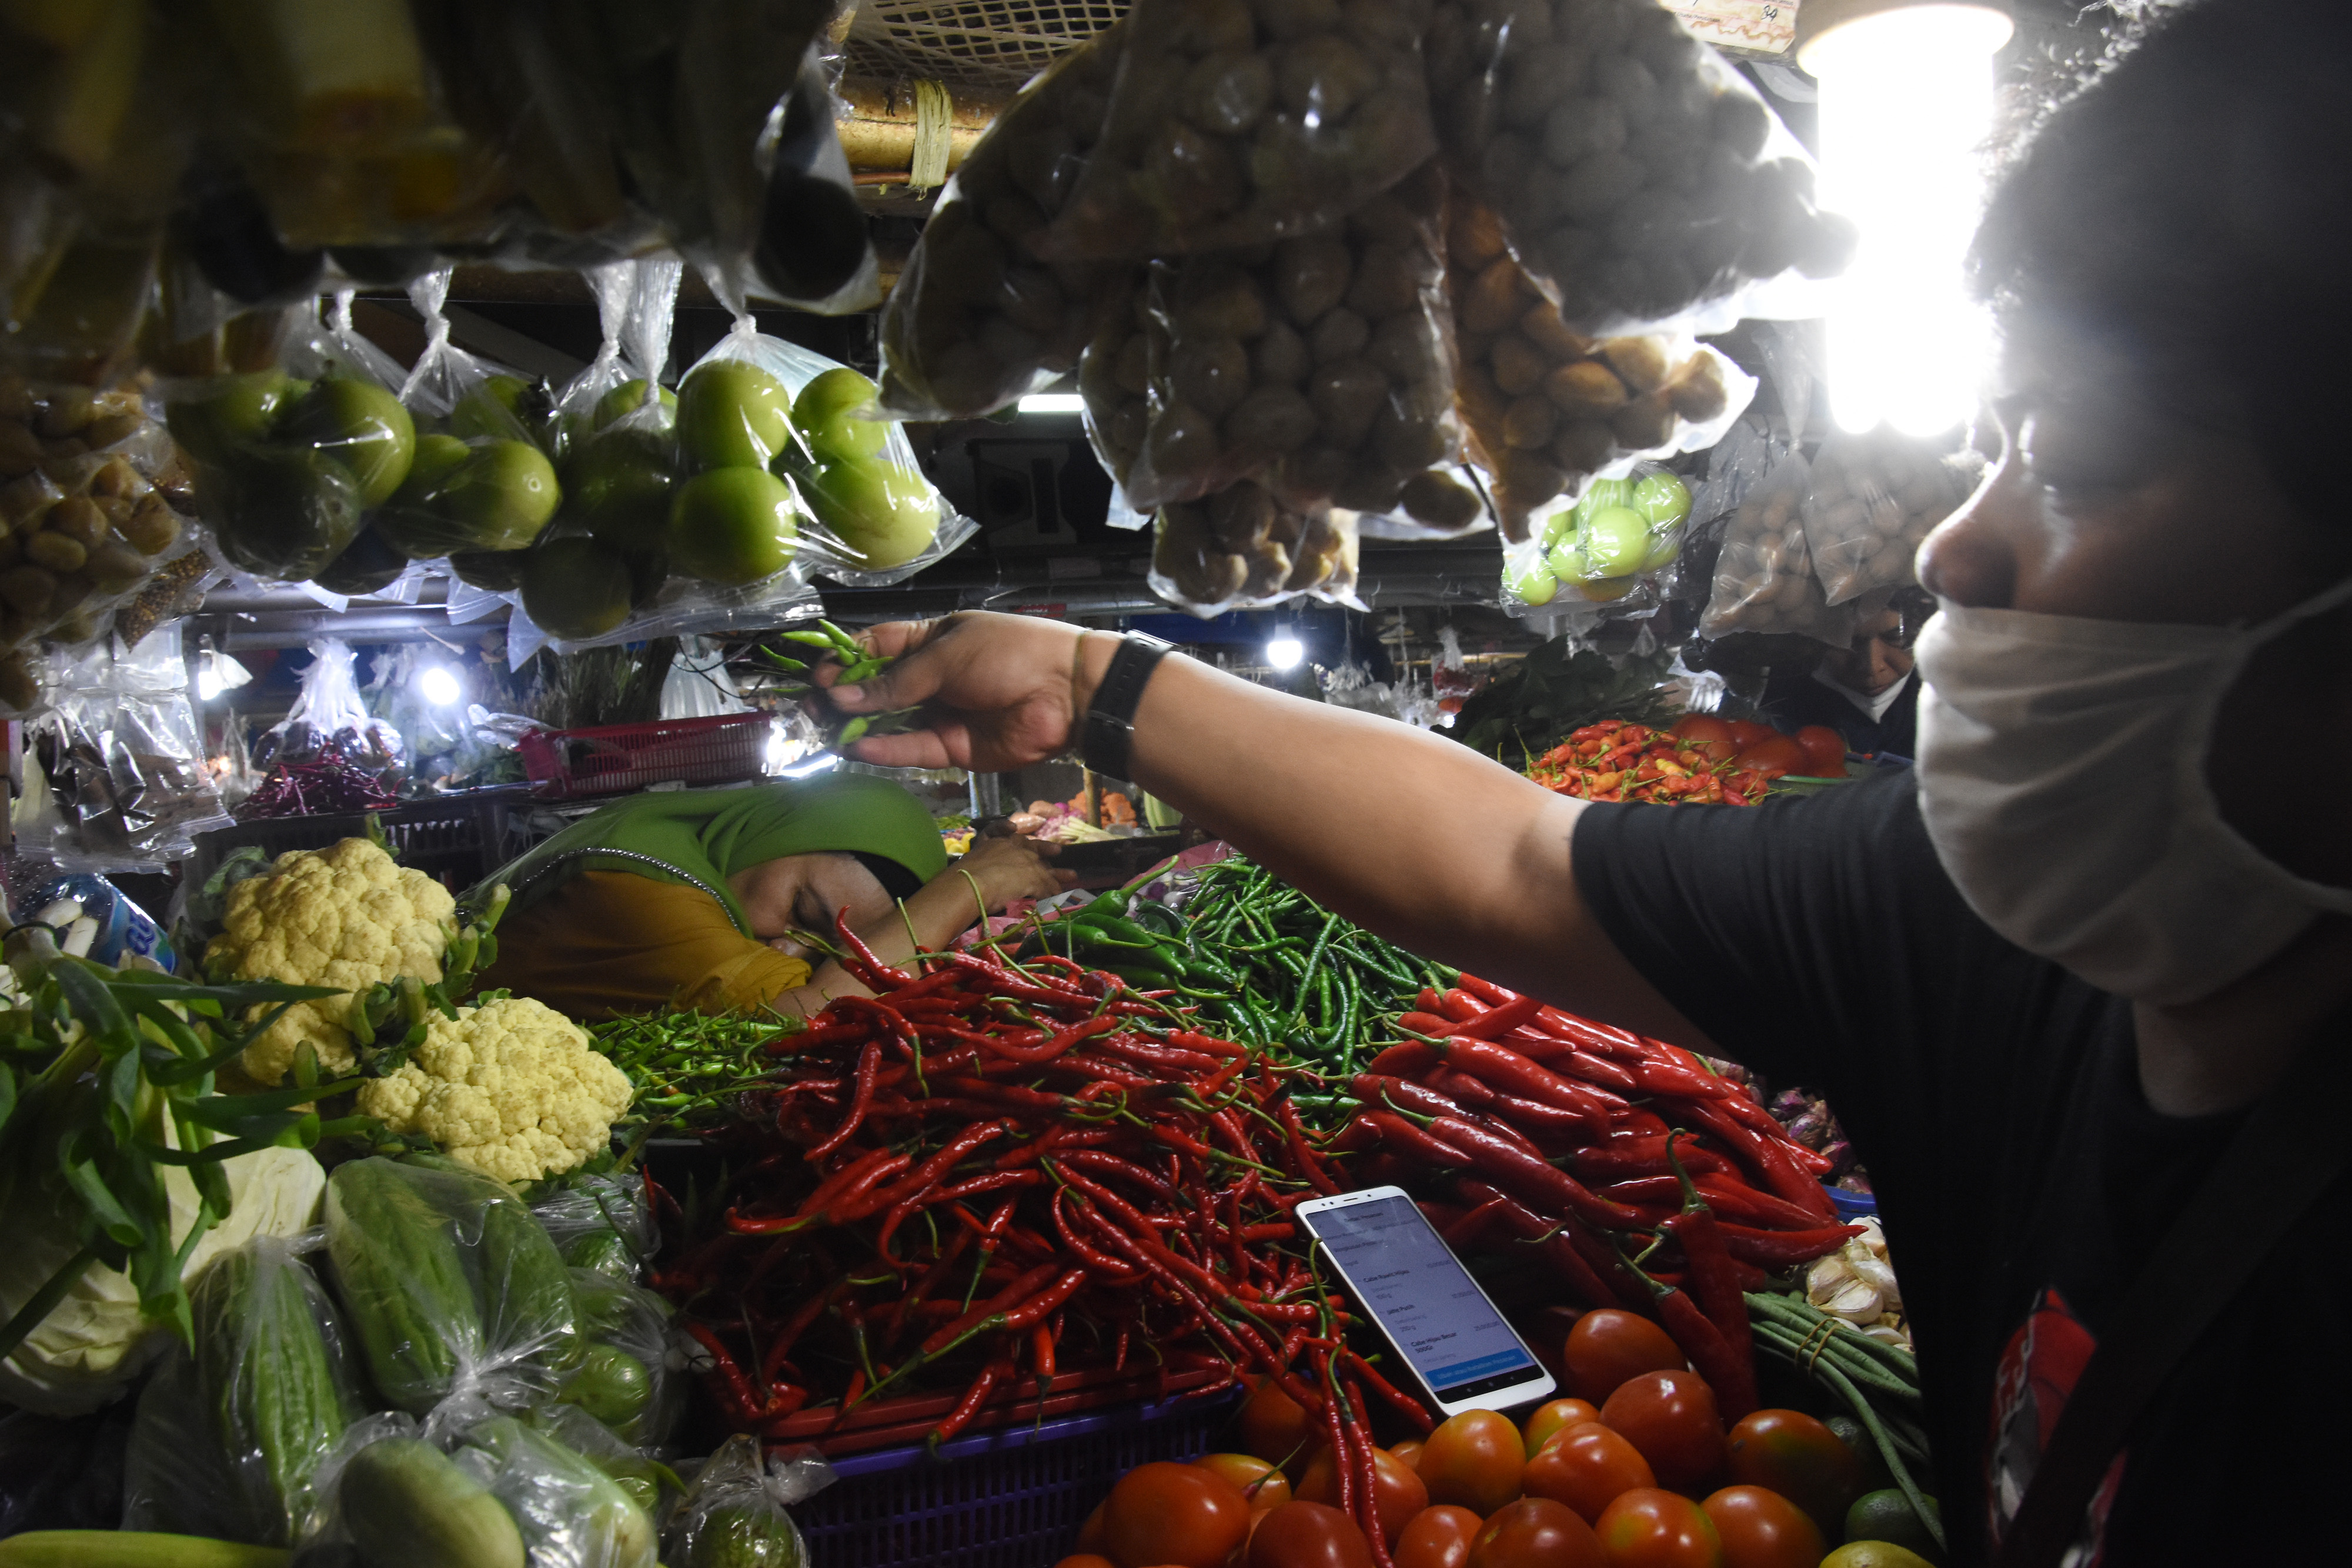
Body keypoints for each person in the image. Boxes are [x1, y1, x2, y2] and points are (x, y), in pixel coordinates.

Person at [821, 5, 2352, 1557]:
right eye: (1991, 450)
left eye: (2078, 462)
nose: (1955, 545)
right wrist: (1088, 683)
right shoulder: (1977, 931)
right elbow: (1514, 861)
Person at [477, 774, 1069, 1018]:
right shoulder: (640, 893)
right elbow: (810, 1018)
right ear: (780, 834)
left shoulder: (680, 844)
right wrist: (971, 886)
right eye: (802, 912)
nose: (788, 948)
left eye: (826, 950)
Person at [1759, 595, 1927, 757]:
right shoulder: (1774, 689)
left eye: (1896, 638)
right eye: (1845, 643)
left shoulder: (1940, 685)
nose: (1872, 667)